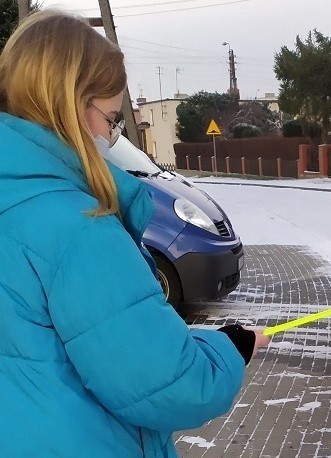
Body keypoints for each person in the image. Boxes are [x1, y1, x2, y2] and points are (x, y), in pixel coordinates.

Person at [0, 10, 269, 457]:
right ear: (72, 105)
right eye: (110, 117)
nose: (110, 134)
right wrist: (229, 348)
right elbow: (169, 381)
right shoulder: (78, 228)